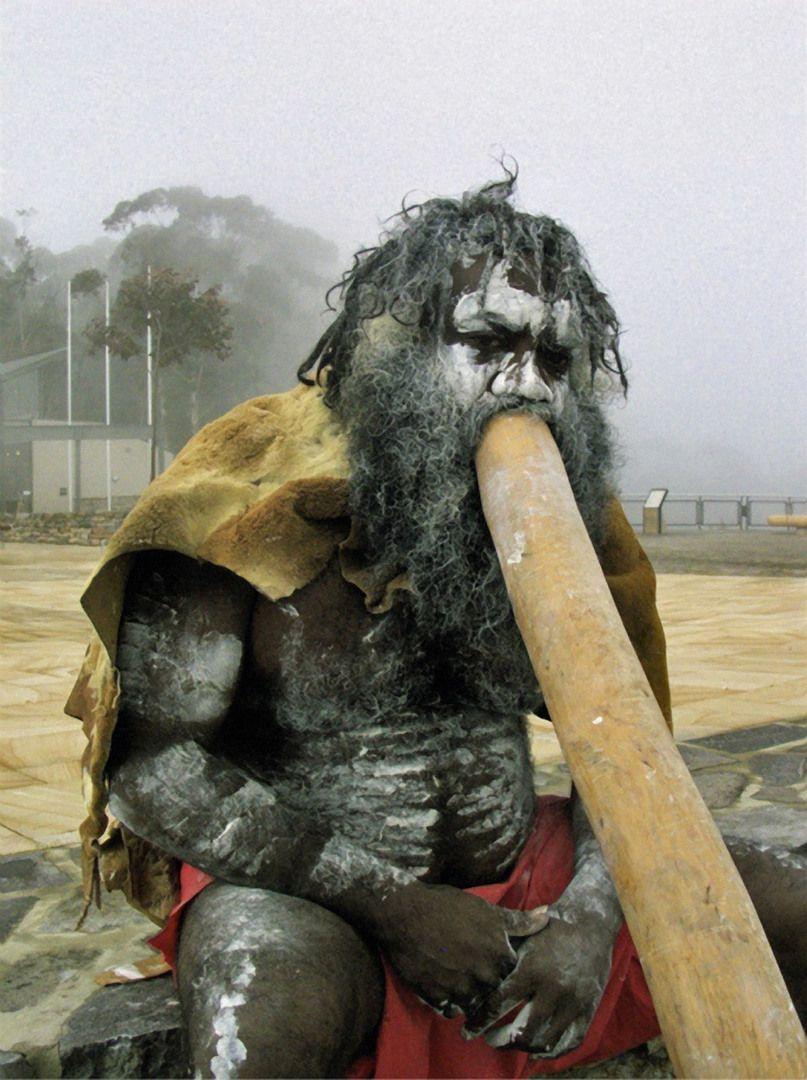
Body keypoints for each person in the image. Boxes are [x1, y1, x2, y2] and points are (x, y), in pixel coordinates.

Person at [67, 173, 805, 1078]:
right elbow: (152, 770)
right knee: (262, 1026)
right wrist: (391, 904)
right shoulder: (242, 506)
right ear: (395, 346)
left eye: (555, 360)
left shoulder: (578, 528)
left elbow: (624, 756)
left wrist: (588, 914)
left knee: (794, 903)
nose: (526, 385)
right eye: (490, 342)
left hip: (528, 878)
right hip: (314, 902)